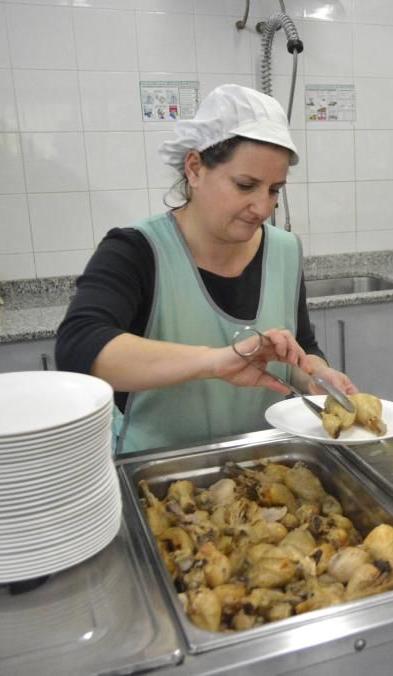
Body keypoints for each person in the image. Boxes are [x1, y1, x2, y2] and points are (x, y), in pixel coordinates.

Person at [55, 84, 356, 454]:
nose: (262, 208)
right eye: (246, 185)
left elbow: (301, 347)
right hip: (157, 473)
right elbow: (79, 347)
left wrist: (314, 374)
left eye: (275, 190)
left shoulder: (284, 250)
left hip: (267, 464)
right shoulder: (137, 251)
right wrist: (216, 362)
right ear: (195, 168)